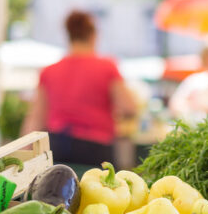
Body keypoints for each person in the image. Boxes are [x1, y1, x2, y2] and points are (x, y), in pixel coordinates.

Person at [22, 10, 135, 166]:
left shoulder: (49, 71)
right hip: (96, 148)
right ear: (93, 36)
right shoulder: (107, 67)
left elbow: (36, 118)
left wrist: (25, 155)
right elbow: (129, 108)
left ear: (68, 36)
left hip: (58, 145)